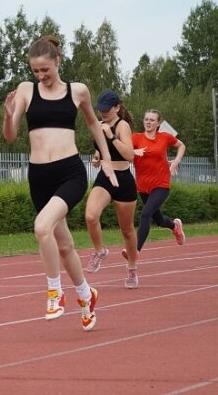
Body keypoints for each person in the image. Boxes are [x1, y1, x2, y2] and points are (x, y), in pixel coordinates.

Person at [3, 35, 117, 331]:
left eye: (45, 70)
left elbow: (93, 124)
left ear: (57, 62)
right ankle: (86, 296)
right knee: (64, 245)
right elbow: (11, 135)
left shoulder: (77, 91)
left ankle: (55, 293)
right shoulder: (27, 90)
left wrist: (106, 159)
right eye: (36, 71)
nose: (41, 76)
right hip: (39, 176)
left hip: (69, 172)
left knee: (42, 228)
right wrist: (7, 115)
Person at [83, 90, 140, 289]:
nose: (103, 113)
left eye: (107, 110)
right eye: (101, 110)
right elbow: (102, 149)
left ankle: (132, 269)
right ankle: (100, 251)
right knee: (91, 216)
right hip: (105, 178)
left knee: (127, 230)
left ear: (117, 107)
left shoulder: (122, 125)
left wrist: (111, 135)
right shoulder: (98, 125)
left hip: (123, 179)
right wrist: (97, 157)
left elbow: (129, 155)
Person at [126, 109, 187, 258]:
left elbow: (181, 145)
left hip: (161, 184)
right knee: (158, 220)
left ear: (158, 123)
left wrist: (177, 160)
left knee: (146, 214)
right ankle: (174, 226)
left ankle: (135, 250)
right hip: (143, 186)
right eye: (146, 119)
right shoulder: (136, 138)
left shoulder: (165, 137)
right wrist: (134, 152)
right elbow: (123, 150)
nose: (148, 122)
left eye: (152, 120)